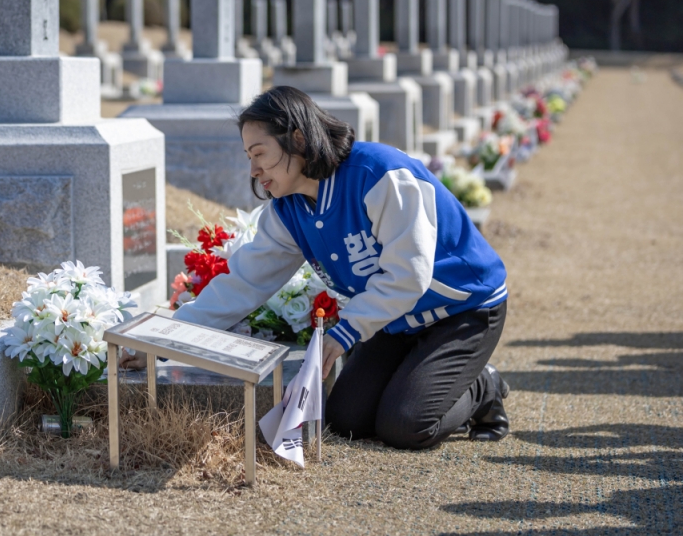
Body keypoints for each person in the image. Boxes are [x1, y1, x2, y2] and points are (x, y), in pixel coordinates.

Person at [124, 86, 510, 449]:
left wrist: (345, 333)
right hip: (396, 320)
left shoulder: (377, 173)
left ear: (297, 139)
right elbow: (241, 284)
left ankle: (483, 387)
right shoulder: (288, 210)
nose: (253, 169)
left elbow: (409, 273)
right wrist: (163, 343)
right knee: (347, 420)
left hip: (462, 309)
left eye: (259, 153)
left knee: (407, 424)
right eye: (248, 157)